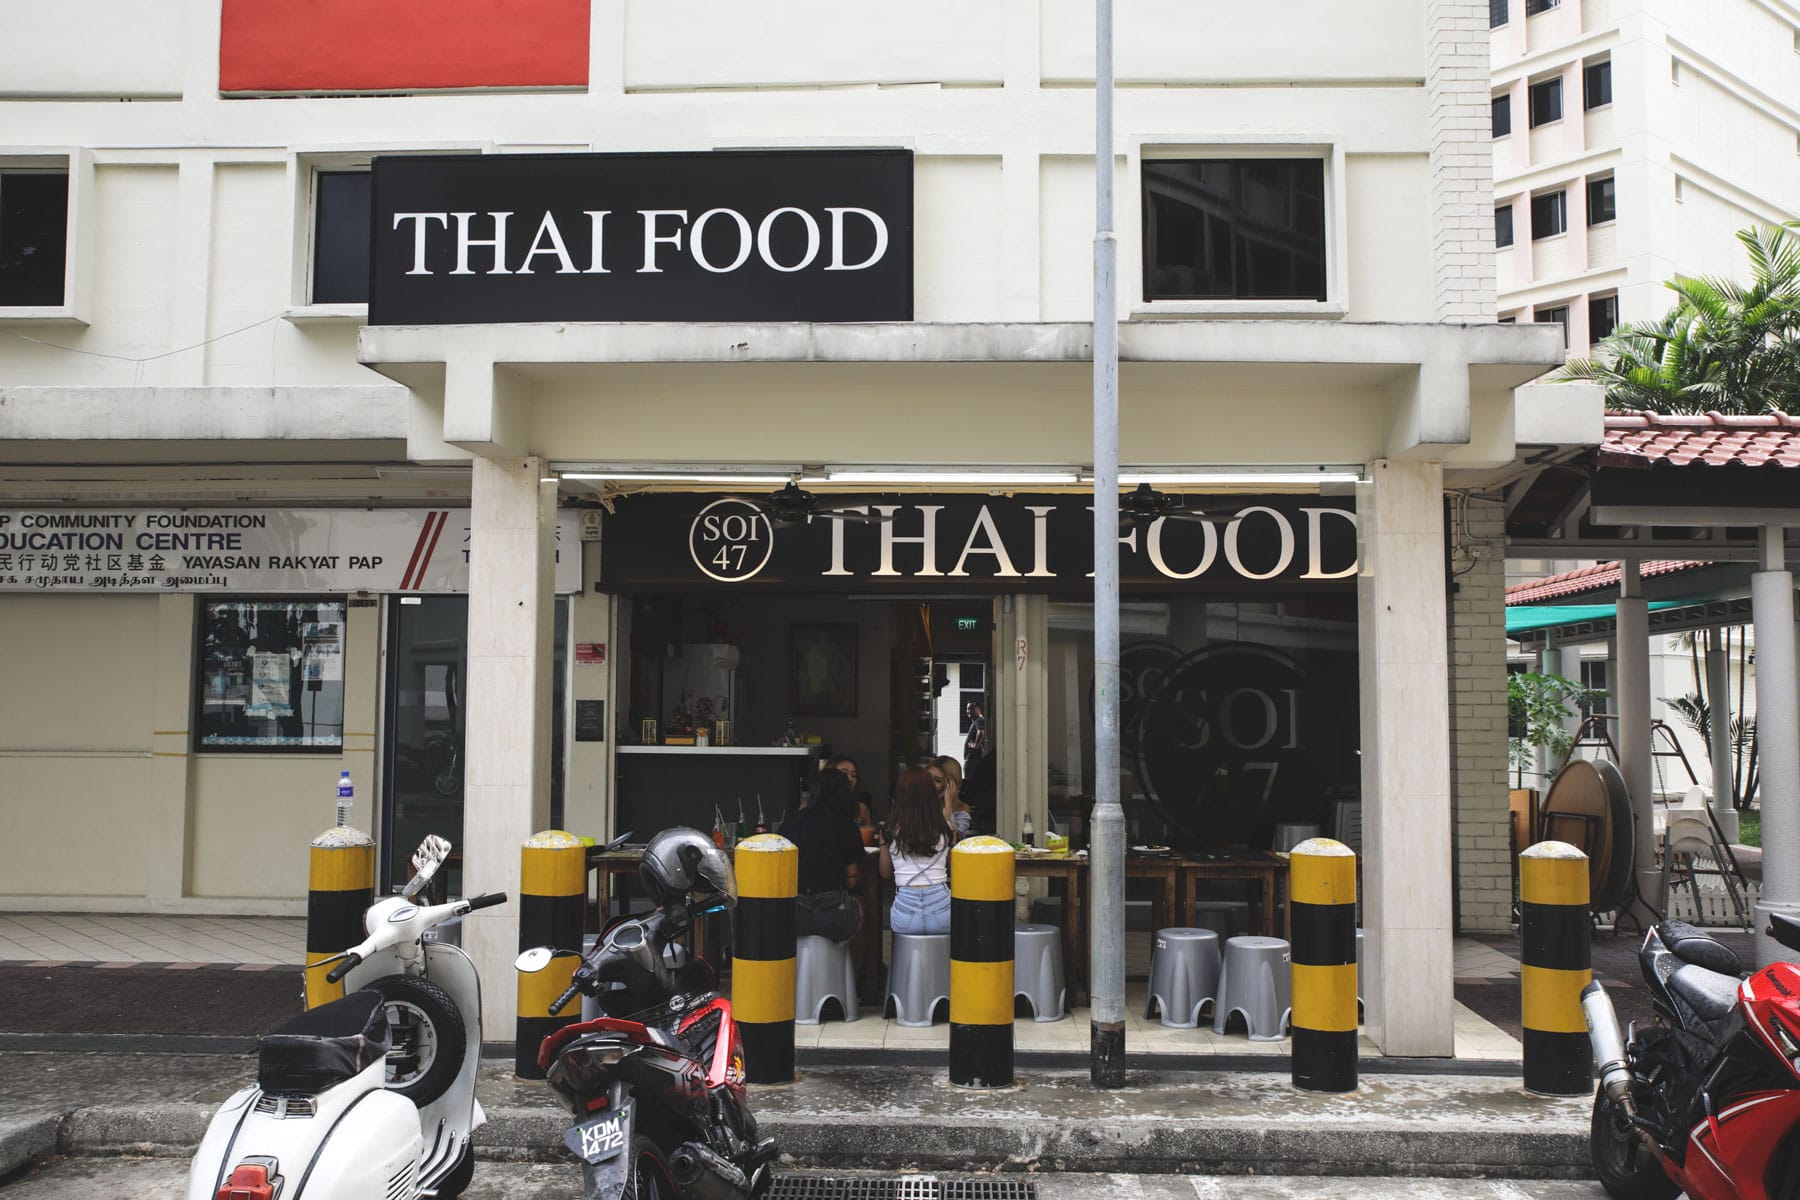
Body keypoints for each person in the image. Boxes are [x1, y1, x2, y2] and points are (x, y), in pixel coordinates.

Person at [778, 767, 864, 942]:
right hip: (835, 916)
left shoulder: (792, 823)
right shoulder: (847, 826)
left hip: (795, 916)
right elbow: (852, 880)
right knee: (859, 904)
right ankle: (854, 960)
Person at [879, 767, 953, 935]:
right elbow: (954, 869)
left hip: (905, 908)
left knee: (905, 951)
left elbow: (885, 873)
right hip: (941, 907)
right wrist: (949, 806)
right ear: (931, 795)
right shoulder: (945, 829)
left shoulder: (889, 831)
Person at [827, 754, 875, 830]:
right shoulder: (815, 808)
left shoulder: (861, 809)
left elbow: (867, 835)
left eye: (854, 775)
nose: (850, 779)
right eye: (844, 774)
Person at [929, 755, 970, 838]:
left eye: (938, 780)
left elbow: (953, 839)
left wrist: (948, 806)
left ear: (951, 785)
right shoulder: (921, 804)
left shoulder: (962, 809)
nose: (930, 784)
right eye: (928, 778)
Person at [963, 700, 989, 765]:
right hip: (972, 759)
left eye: (971, 708)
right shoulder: (976, 721)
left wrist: (975, 745)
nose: (969, 711)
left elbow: (981, 732)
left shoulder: (979, 720)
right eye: (967, 709)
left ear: (978, 709)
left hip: (974, 760)